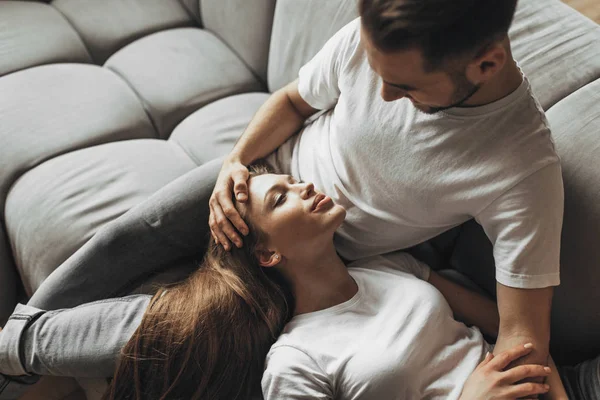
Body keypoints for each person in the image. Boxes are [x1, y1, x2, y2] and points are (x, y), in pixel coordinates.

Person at [13, 0, 562, 393]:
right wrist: (236, 162)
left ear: (485, 63)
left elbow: (521, 334)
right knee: (129, 238)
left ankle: (17, 349)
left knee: (181, 325)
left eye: (406, 88)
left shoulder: (522, 169)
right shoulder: (377, 38)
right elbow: (296, 103)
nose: (383, 95)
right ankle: (14, 338)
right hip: (262, 180)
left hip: (326, 253)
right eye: (377, 75)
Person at [0, 168, 595, 399]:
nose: (304, 186)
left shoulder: (392, 267)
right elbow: (138, 235)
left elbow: (510, 324)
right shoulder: (292, 360)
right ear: (266, 252)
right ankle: (15, 346)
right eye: (281, 195)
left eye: (292, 179)